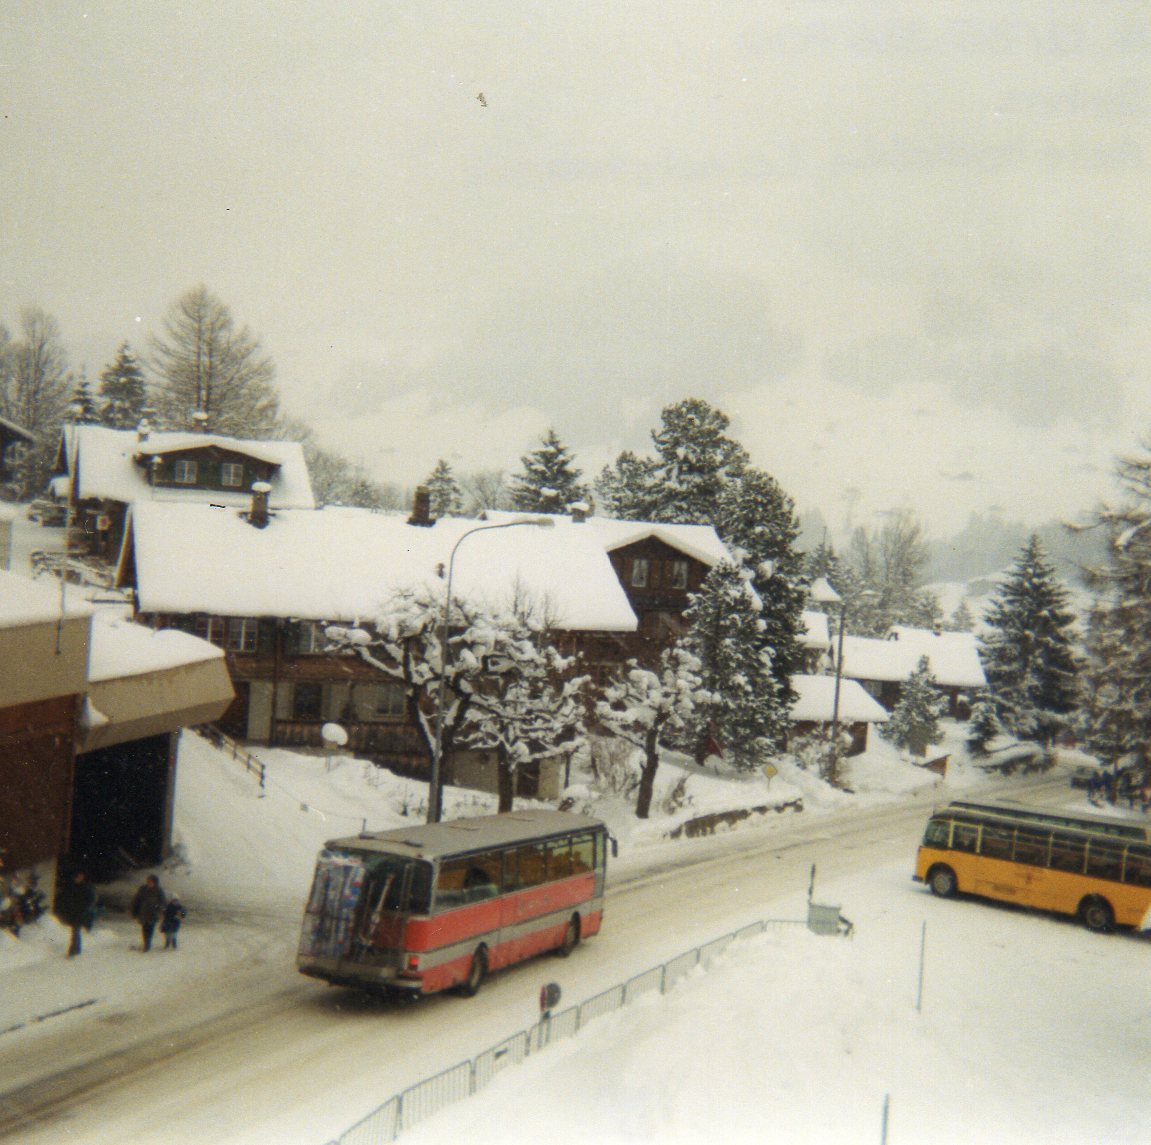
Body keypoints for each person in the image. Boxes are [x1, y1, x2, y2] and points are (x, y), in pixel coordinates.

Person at [55, 869, 97, 958]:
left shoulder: (86, 888)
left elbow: (90, 900)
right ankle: (75, 948)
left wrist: (83, 908)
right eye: (78, 877)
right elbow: (63, 898)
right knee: (74, 931)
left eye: (81, 877)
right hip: (71, 912)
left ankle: (74, 949)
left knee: (75, 931)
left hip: (80, 913)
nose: (79, 879)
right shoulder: (70, 887)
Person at [131, 874, 167, 952]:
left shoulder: (158, 890)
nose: (150, 883)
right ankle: (146, 943)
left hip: (153, 914)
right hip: (143, 913)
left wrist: (159, 909)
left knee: (150, 928)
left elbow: (163, 902)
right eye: (149, 881)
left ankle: (148, 943)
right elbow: (136, 900)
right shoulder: (143, 889)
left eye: (151, 882)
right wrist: (134, 911)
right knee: (144, 928)